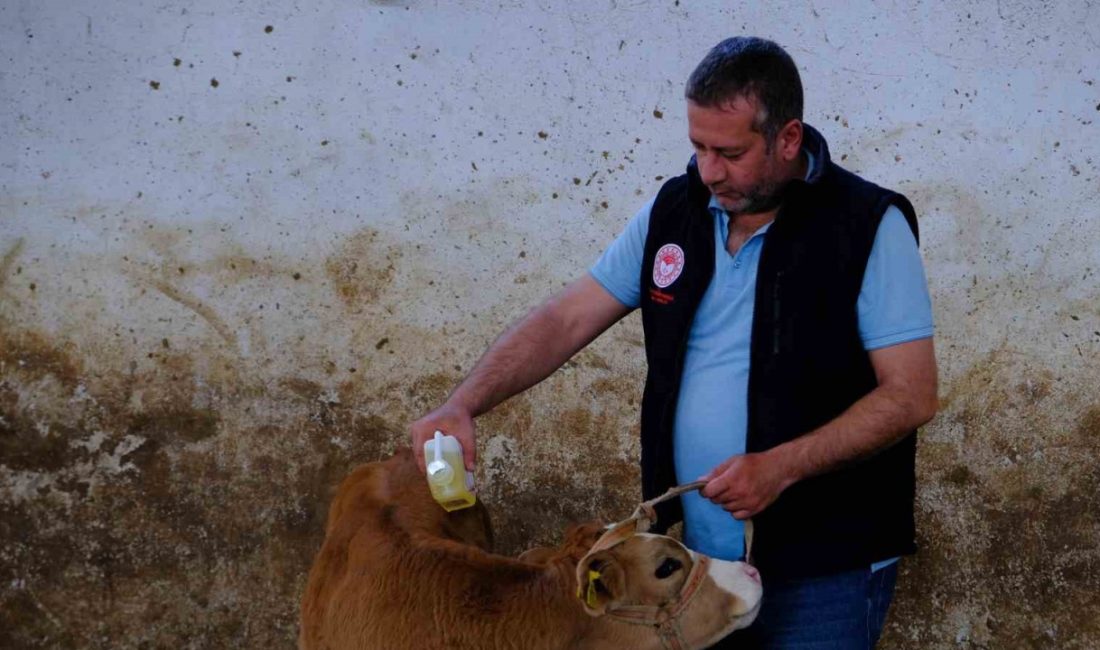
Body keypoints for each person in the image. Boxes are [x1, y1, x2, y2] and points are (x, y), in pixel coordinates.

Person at [409, 36, 937, 649]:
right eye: (698, 147)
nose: (709, 170)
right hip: (690, 568)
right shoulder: (675, 210)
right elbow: (566, 318)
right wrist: (463, 403)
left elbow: (911, 395)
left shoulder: (868, 225)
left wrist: (782, 467)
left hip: (825, 567)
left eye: (731, 153)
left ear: (788, 139)